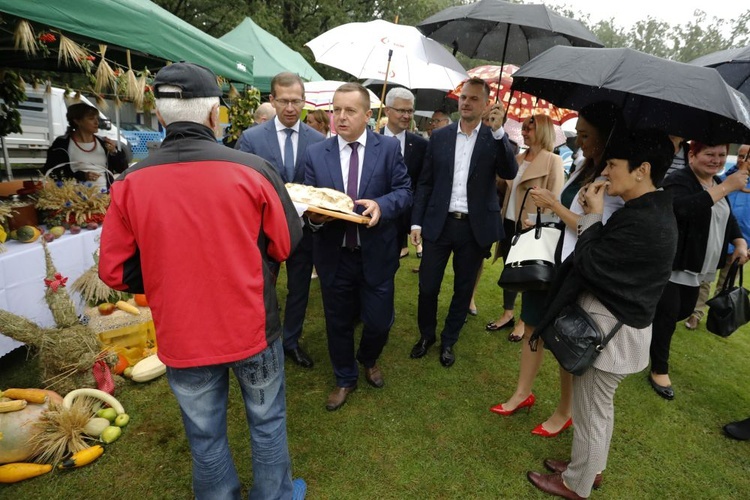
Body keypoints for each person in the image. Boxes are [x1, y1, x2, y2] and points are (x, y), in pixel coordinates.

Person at [98, 62, 303, 499]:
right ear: (215, 117)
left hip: (183, 331)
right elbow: (285, 244)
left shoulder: (129, 183)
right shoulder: (254, 169)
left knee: (204, 432)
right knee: (266, 422)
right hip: (251, 325)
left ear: (159, 118)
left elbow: (114, 271)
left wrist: (162, 268)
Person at [527, 129, 678, 500]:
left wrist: (593, 217)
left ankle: (576, 484)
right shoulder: (648, 209)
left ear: (642, 170)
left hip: (610, 333)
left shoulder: (646, 220)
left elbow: (592, 263)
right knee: (596, 408)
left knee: (593, 412)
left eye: (612, 165)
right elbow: (605, 253)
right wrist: (593, 219)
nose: (605, 172)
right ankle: (588, 468)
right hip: (616, 327)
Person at [490, 102, 627, 439]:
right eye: (577, 134)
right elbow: (569, 216)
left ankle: (565, 410)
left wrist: (553, 206)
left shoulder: (613, 178)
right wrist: (544, 214)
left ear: (605, 139)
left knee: (563, 336)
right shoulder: (583, 166)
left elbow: (594, 228)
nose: (578, 141)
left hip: (578, 267)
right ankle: (522, 393)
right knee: (534, 324)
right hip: (554, 258)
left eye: (585, 135)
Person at [303, 82, 412, 411]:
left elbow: (404, 192)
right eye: (336, 110)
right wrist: (317, 219)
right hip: (335, 256)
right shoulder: (315, 154)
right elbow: (308, 200)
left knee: (378, 321)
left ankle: (368, 358)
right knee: (337, 321)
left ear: (368, 115)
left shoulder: (389, 149)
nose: (341, 117)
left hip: (376, 254)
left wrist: (382, 205)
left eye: (349, 110)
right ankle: (344, 377)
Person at [409, 77, 518, 367]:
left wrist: (498, 133)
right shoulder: (441, 137)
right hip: (438, 223)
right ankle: (427, 335)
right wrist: (416, 223)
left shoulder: (494, 138)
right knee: (428, 285)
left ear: (486, 104)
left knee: (463, 288)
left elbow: (510, 171)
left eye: (473, 99)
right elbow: (426, 183)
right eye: (464, 97)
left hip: (474, 227)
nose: (466, 103)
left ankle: (449, 340)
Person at [235, 72, 326, 369]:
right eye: (284, 101)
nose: (290, 107)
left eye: (296, 101)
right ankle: (260, 341)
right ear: (272, 100)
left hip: (303, 232)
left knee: (299, 289)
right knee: (262, 288)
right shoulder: (251, 139)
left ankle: (291, 342)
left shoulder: (317, 140)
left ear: (304, 101)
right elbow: (239, 186)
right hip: (262, 233)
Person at [649, 141, 749, 400]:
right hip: (675, 263)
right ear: (692, 155)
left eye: (721, 155)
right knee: (668, 317)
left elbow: (726, 214)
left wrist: (739, 241)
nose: (716, 160)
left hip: (700, 265)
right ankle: (659, 369)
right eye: (709, 154)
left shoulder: (715, 183)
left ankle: (639, 330)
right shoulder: (679, 180)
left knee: (681, 311)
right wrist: (727, 186)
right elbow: (681, 209)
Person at [487, 114, 564, 344]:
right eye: (523, 128)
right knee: (510, 269)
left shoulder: (553, 161)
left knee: (529, 274)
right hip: (508, 222)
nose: (523, 132)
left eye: (529, 129)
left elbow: (555, 197)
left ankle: (523, 320)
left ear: (542, 132)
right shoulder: (518, 158)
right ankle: (508, 313)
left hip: (532, 226)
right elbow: (506, 187)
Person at [685, 143, 750, 330]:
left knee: (726, 284)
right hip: (718, 240)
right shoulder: (724, 179)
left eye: (747, 156)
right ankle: (696, 314)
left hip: (741, 244)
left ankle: (719, 317)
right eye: (740, 155)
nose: (742, 160)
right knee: (704, 280)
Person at [381, 87, 428, 260]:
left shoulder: (421, 146)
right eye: (401, 110)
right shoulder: (369, 139)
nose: (406, 116)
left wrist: (415, 222)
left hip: (401, 221)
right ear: (387, 110)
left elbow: (421, 185)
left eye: (410, 111)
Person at [45, 102, 129, 191]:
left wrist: (114, 152)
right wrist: (82, 175)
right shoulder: (62, 144)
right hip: (75, 198)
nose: (96, 122)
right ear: (77, 121)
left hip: (104, 196)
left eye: (97, 118)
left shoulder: (103, 143)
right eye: (91, 119)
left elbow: (122, 169)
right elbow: (52, 173)